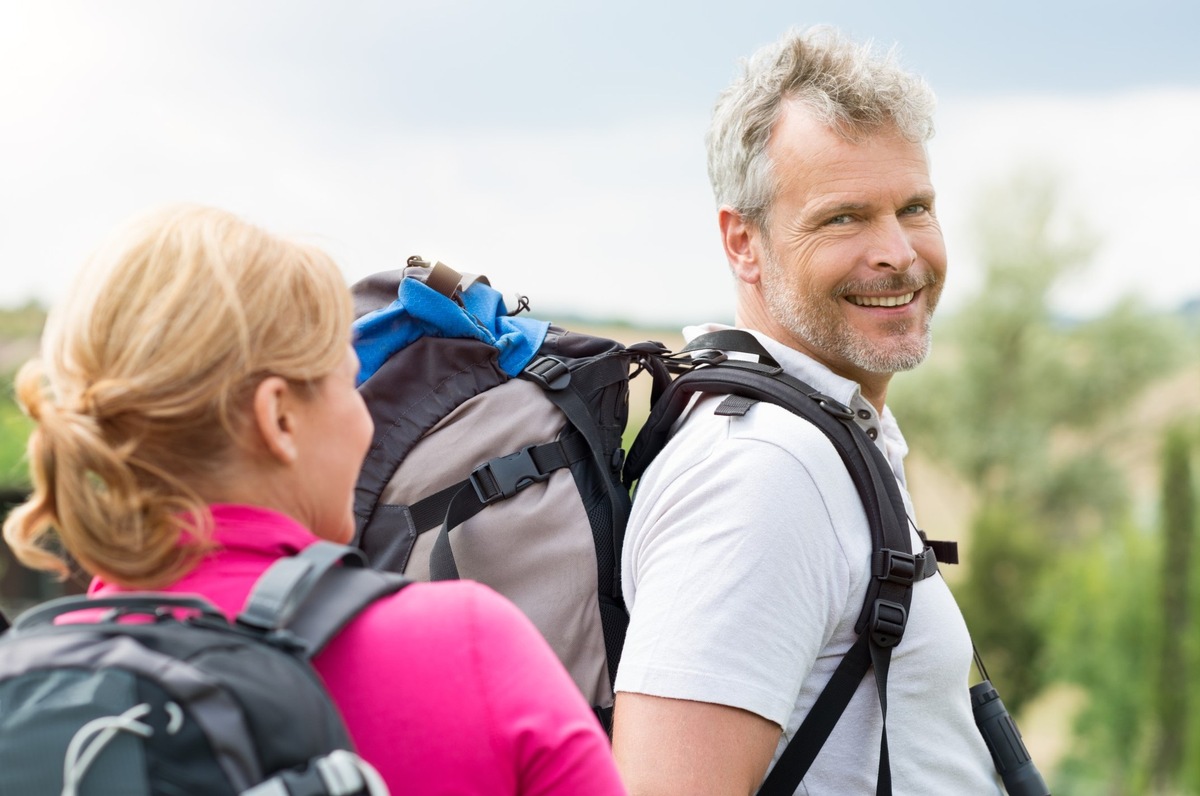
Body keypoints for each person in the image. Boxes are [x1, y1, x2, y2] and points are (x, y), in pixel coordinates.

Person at [2, 204, 628, 796]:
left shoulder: (28, 690)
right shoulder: (467, 649)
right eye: (345, 380)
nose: (364, 418)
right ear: (278, 418)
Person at [610, 26, 1004, 795]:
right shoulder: (759, 476)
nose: (898, 252)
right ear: (743, 243)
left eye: (914, 207)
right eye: (843, 217)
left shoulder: (822, 439)